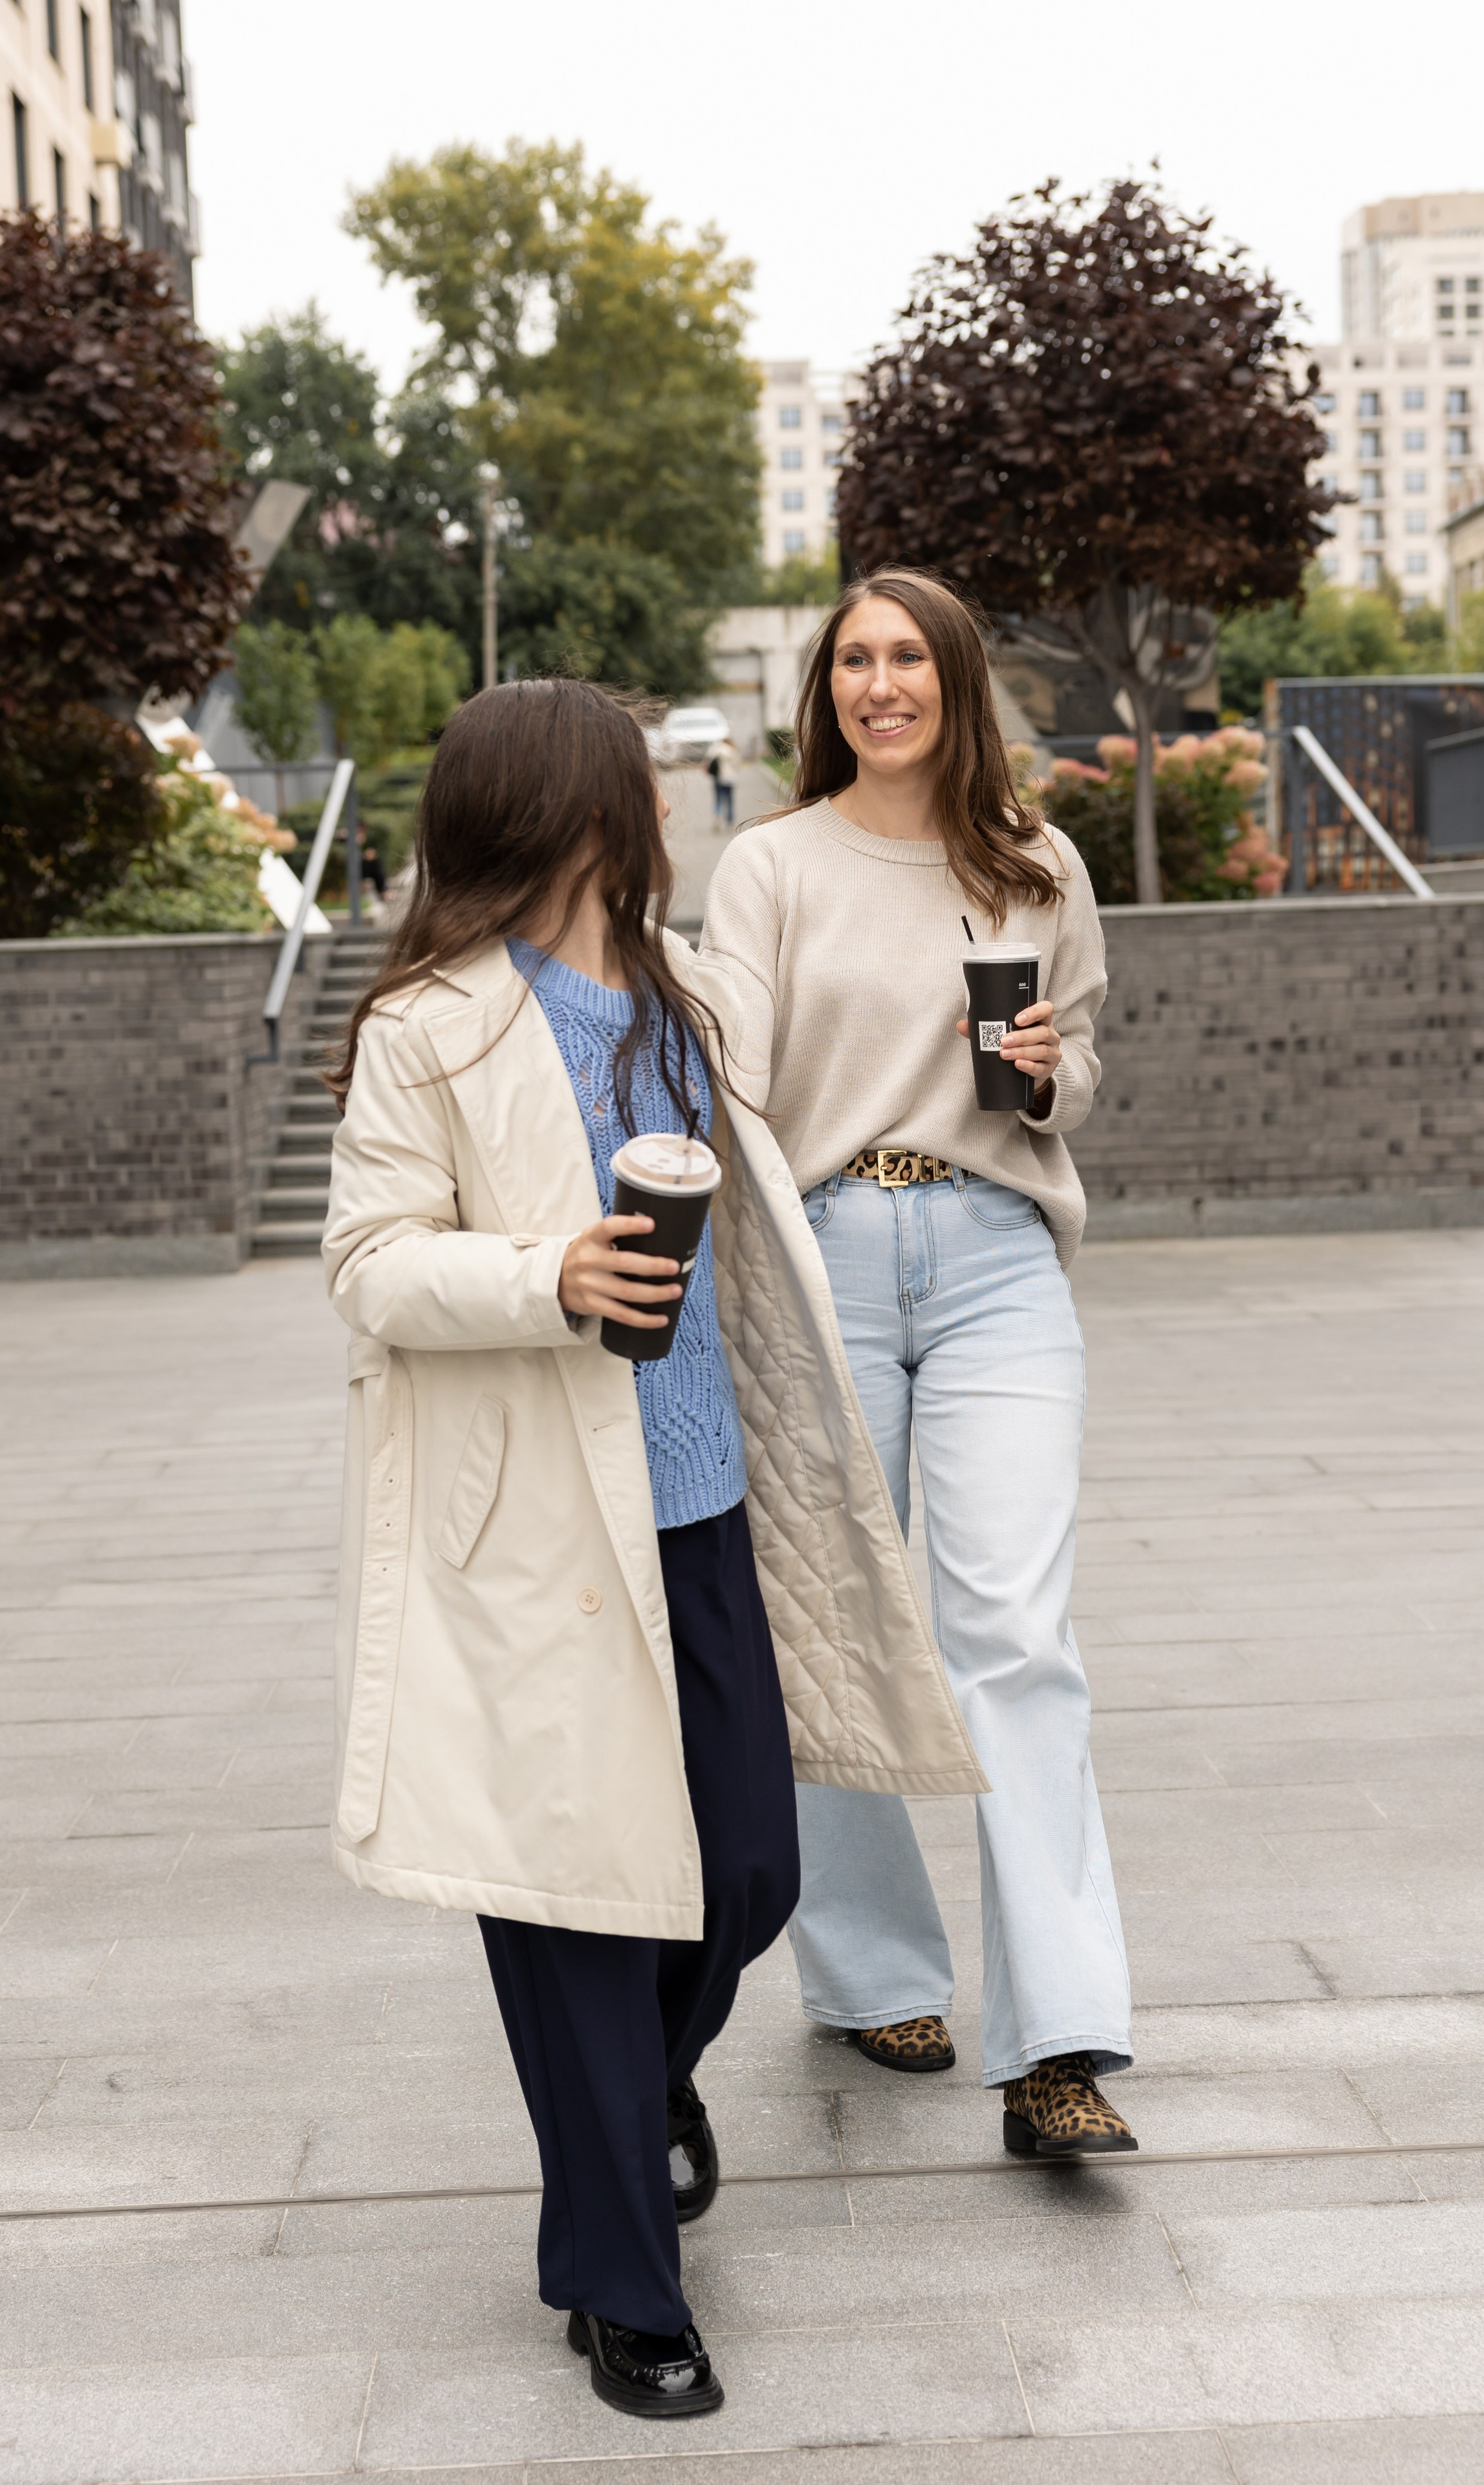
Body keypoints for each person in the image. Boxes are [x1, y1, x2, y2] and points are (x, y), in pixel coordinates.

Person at [322, 677, 982, 2422]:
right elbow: (370, 1264)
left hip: (702, 1508)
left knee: (750, 1868)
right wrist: (549, 1275)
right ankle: (624, 2285)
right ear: (574, 809)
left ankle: (646, 2097)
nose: (672, 811)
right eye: (646, 786)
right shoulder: (432, 1028)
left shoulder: (678, 1004)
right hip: (534, 1534)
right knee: (576, 1911)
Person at [701, 566, 1138, 2158]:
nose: (877, 683)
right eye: (850, 661)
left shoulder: (1035, 867)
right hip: (824, 1262)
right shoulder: (768, 866)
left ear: (955, 680)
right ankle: (869, 1969)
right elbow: (728, 1074)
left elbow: (1071, 1059)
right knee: (835, 1615)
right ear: (824, 692)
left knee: (1013, 1632)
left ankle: (1055, 2042)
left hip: (996, 1254)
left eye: (905, 658)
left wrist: (1042, 1073)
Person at [706, 738, 737, 829]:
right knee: (730, 801)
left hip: (719, 779)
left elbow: (708, 760)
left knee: (718, 800)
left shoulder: (716, 749)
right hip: (730, 779)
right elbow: (737, 764)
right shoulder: (733, 751)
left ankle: (717, 816)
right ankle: (730, 820)